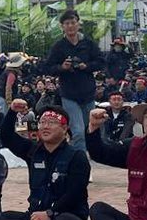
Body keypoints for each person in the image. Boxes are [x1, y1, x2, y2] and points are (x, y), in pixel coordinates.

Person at [0, 100, 90, 220]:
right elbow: (7, 136)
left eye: (52, 123)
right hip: (36, 217)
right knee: (3, 219)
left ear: (65, 128)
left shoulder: (76, 156)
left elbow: (75, 194)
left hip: (67, 219)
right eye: (42, 122)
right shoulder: (33, 151)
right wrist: (12, 112)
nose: (45, 126)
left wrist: (50, 214)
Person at [40, 10, 105, 151]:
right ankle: (81, 162)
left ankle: (95, 155)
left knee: (91, 129)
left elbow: (101, 61)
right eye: (67, 23)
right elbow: (47, 67)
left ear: (78, 24)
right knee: (78, 131)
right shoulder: (58, 46)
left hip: (88, 93)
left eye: (73, 22)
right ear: (62, 26)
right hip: (69, 94)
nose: (70, 26)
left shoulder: (88, 43)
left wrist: (86, 66)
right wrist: (62, 67)